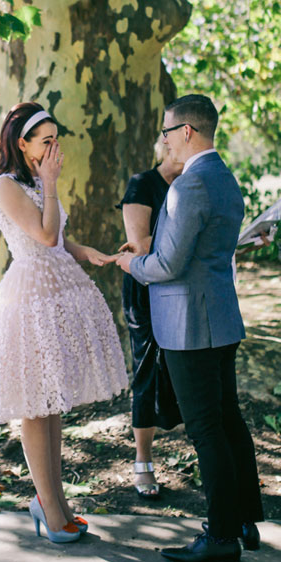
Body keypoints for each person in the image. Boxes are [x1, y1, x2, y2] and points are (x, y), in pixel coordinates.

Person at [115, 94, 264, 562]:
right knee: (228, 420)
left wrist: (130, 264)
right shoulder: (225, 177)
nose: (162, 141)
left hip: (189, 326)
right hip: (219, 318)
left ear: (186, 132)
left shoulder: (189, 185)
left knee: (205, 429)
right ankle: (244, 520)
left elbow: (168, 265)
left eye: (166, 132)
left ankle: (220, 538)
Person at [0, 102, 128, 545]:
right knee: (36, 405)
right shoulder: (6, 186)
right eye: (46, 140)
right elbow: (41, 237)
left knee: (52, 403)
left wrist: (85, 251)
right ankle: (47, 505)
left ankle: (55, 503)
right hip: (29, 301)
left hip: (58, 293)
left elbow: (56, 239)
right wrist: (50, 182)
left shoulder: (35, 182)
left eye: (56, 139)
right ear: (22, 144)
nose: (54, 148)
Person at [117, 145, 183, 498]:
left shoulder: (191, 185)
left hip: (182, 289)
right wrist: (187, 233)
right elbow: (139, 245)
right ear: (166, 146)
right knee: (146, 372)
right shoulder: (142, 184)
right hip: (144, 291)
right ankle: (143, 461)